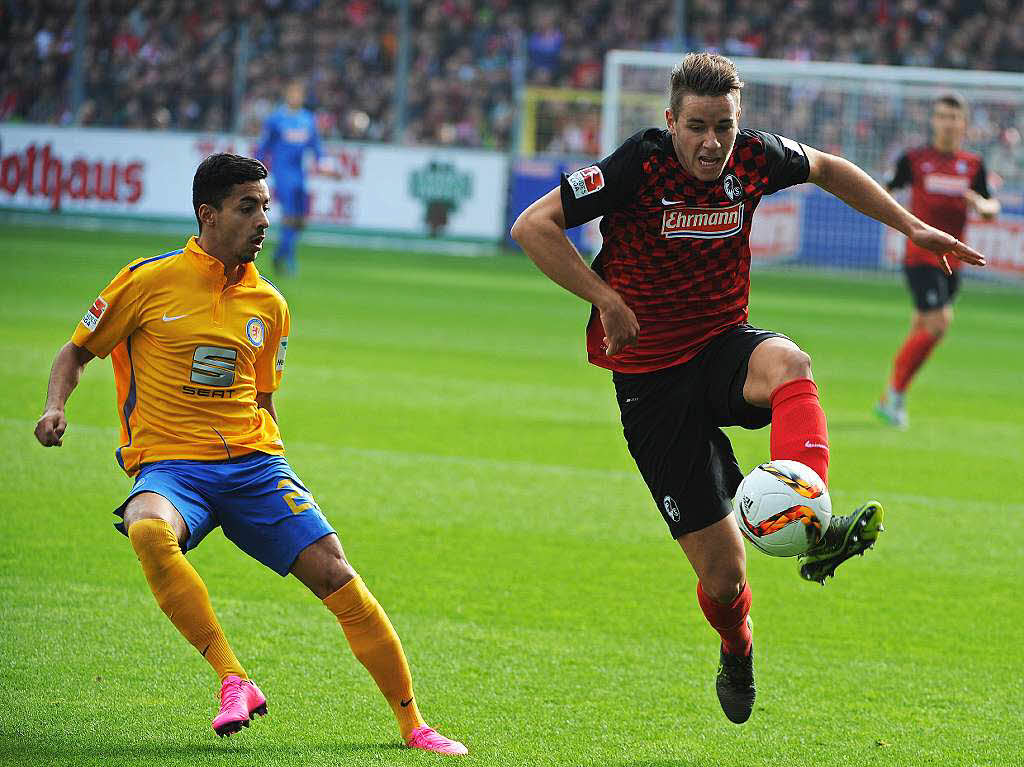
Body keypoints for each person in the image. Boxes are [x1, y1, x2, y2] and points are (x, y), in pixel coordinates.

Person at [510, 53, 985, 726]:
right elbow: (533, 225)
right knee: (725, 580)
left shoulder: (755, 159)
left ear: (740, 125)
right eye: (697, 126)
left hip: (723, 345)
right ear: (671, 121)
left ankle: (814, 520)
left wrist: (910, 225)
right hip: (651, 381)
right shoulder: (636, 166)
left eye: (724, 128)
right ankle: (737, 647)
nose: (711, 143)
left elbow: (828, 167)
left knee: (792, 363)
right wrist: (605, 298)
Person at [33, 153, 467, 756]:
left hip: (255, 465)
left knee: (338, 577)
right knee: (148, 529)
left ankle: (414, 723)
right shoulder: (145, 280)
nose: (264, 219)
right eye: (248, 207)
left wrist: (278, 474)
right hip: (174, 467)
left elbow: (265, 399)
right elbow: (74, 353)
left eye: (266, 206)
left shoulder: (270, 304)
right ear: (208, 215)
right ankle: (234, 678)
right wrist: (56, 406)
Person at [876, 93, 1000, 429]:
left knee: (924, 329)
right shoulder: (914, 160)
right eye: (941, 116)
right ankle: (896, 396)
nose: (947, 123)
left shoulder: (972, 165)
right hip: (921, 257)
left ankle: (889, 400)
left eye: (953, 117)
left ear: (963, 124)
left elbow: (992, 207)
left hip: (955, 262)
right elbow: (883, 191)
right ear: (933, 121)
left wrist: (980, 205)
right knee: (939, 322)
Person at [255, 78, 335, 276]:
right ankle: (288, 259)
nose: (296, 97)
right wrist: (255, 168)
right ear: (286, 95)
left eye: (299, 94)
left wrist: (323, 163)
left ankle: (279, 254)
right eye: (292, 93)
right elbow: (263, 146)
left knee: (300, 220)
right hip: (283, 174)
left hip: (300, 174)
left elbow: (316, 147)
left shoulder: (308, 120)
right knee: (290, 215)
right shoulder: (276, 119)